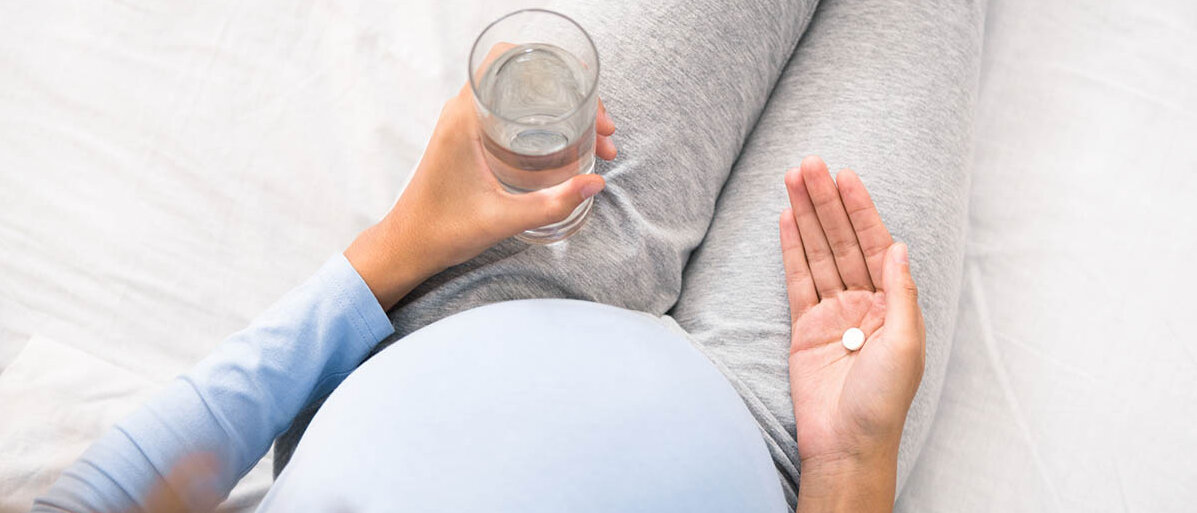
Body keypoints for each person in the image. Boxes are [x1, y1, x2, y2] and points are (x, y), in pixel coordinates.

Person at [34, 0, 983, 510]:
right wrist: (851, 463)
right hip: (791, 427)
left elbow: (112, 489)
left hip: (479, 298)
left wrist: (395, 247)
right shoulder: (824, 450)